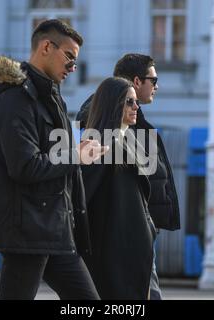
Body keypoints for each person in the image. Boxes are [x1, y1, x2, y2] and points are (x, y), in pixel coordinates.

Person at [0, 19, 107, 300]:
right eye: (69, 57)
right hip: (27, 232)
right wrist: (77, 155)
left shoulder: (50, 97)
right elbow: (25, 166)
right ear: (45, 47)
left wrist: (78, 149)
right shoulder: (15, 99)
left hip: (54, 229)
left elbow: (54, 156)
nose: (73, 67)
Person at [77, 54, 181, 300]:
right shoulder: (101, 127)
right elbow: (86, 190)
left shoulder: (133, 123)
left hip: (137, 232)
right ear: (136, 80)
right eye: (153, 80)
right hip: (118, 236)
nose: (157, 86)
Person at [80, 77, 156, 299]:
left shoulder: (131, 140)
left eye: (136, 101)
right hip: (112, 254)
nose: (136, 107)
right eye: (129, 102)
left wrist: (149, 229)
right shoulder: (99, 143)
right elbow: (84, 196)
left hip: (134, 252)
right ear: (113, 104)